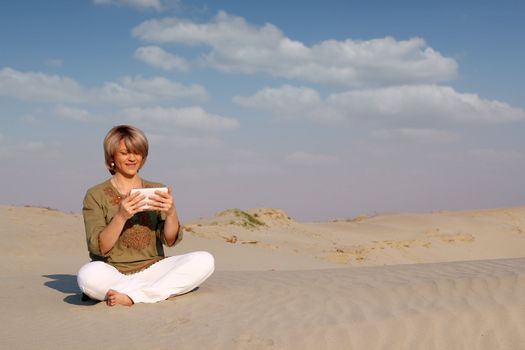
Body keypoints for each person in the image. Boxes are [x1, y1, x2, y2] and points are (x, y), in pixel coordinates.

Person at [77, 125, 214, 306]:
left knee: (205, 260)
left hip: (154, 267)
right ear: (112, 157)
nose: (132, 158)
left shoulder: (155, 189)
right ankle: (152, 291)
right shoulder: (95, 194)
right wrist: (121, 216)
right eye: (125, 153)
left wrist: (171, 212)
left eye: (137, 152)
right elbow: (99, 248)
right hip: (114, 271)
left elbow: (170, 240)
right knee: (88, 275)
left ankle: (132, 296)